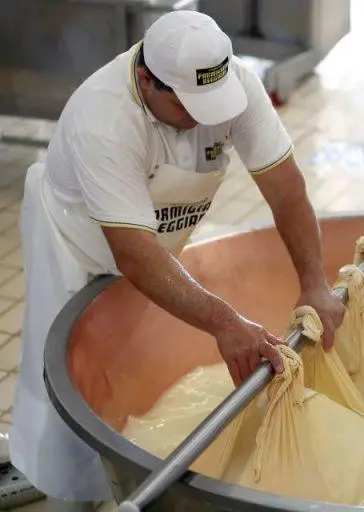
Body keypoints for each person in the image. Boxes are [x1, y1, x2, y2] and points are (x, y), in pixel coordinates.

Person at [10, 10, 346, 512]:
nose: (207, 120)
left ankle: (120, 477)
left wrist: (314, 282)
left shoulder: (236, 89)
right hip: (76, 243)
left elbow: (287, 190)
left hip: (154, 242)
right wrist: (225, 321)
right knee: (65, 383)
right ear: (146, 80)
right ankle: (65, 494)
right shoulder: (102, 120)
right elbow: (133, 253)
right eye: (190, 106)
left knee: (128, 365)